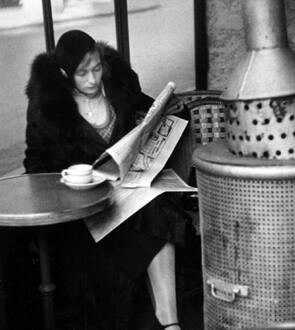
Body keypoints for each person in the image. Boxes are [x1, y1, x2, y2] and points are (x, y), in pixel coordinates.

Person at [24, 30, 183, 330]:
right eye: (82, 73)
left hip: (127, 190)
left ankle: (170, 321)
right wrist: (71, 182)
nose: (93, 80)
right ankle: (166, 321)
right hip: (84, 205)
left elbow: (149, 111)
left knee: (157, 207)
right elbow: (35, 164)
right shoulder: (48, 105)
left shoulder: (118, 86)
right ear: (64, 73)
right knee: (153, 220)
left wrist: (169, 112)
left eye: (96, 68)